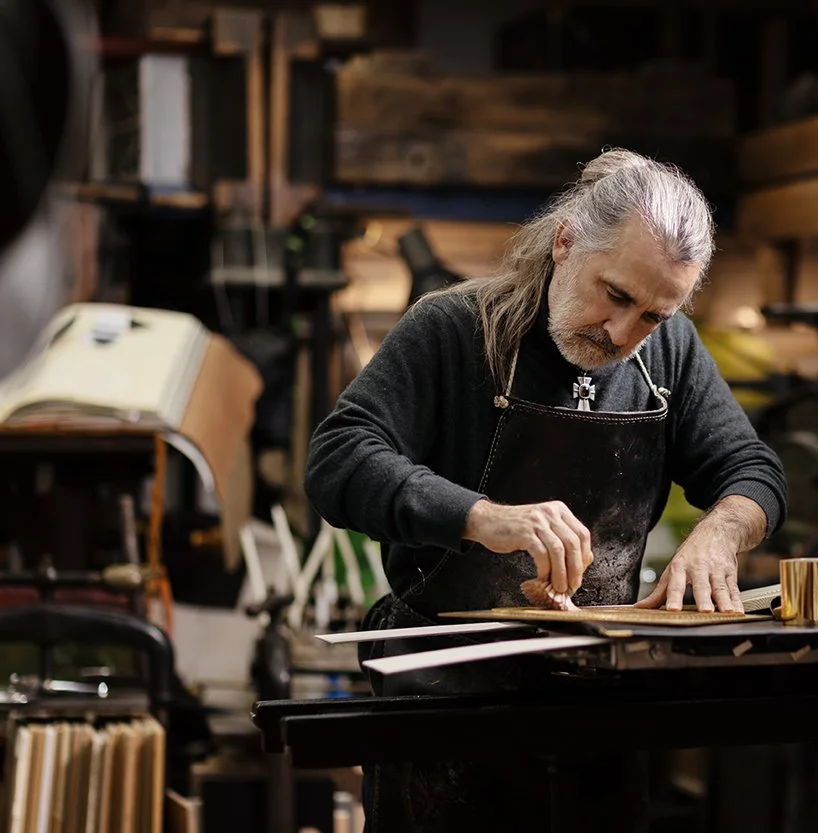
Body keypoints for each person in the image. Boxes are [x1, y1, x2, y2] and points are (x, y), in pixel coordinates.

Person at [304, 148, 788, 832]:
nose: (624, 334)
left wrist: (720, 533)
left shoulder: (669, 351)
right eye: (615, 295)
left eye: (653, 314)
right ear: (565, 242)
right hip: (444, 703)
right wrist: (480, 517)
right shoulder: (452, 330)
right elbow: (337, 460)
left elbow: (753, 470)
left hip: (595, 707)